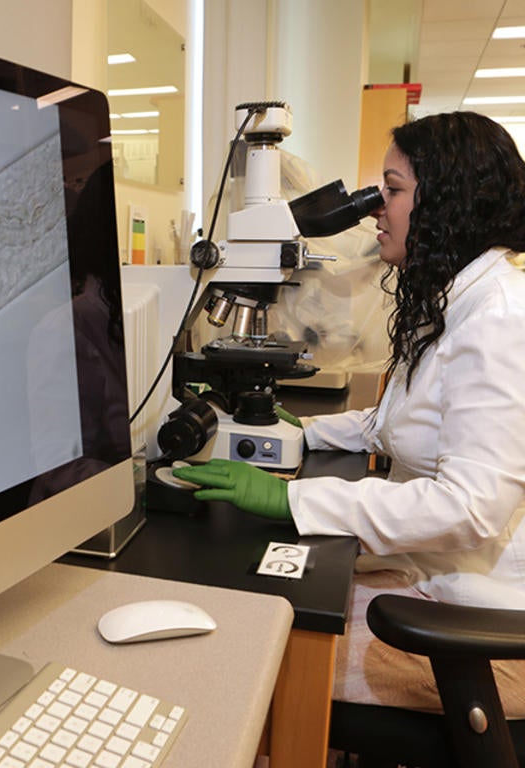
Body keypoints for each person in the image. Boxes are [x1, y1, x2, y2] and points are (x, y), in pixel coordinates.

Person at [173, 111, 525, 717]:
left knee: (255, 655)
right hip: (436, 582)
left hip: (481, 631)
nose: (374, 208)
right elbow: (392, 422)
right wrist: (299, 431)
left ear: (445, 200)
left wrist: (294, 500)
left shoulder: (497, 319)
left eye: (391, 191)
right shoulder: (455, 299)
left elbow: (471, 506)